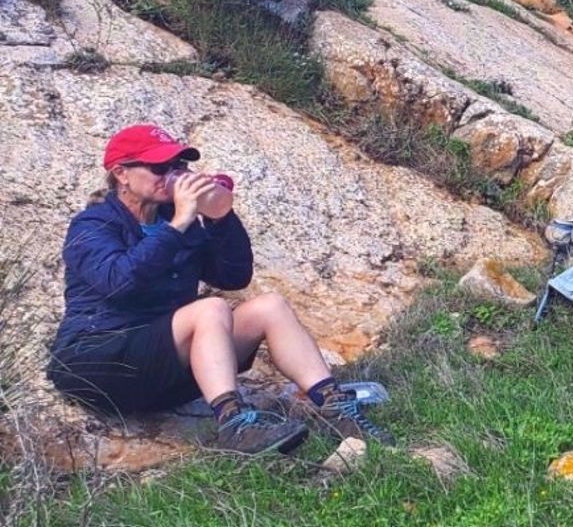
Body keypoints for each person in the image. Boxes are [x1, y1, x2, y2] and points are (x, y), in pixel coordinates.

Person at [46, 125, 395, 455]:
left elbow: (234, 276)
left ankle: (337, 408)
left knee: (269, 306)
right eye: (159, 167)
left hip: (160, 375)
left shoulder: (172, 218)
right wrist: (181, 222)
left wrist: (220, 218)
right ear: (122, 173)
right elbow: (119, 282)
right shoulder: (92, 226)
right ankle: (235, 424)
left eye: (178, 165)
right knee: (210, 309)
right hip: (97, 365)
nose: (173, 174)